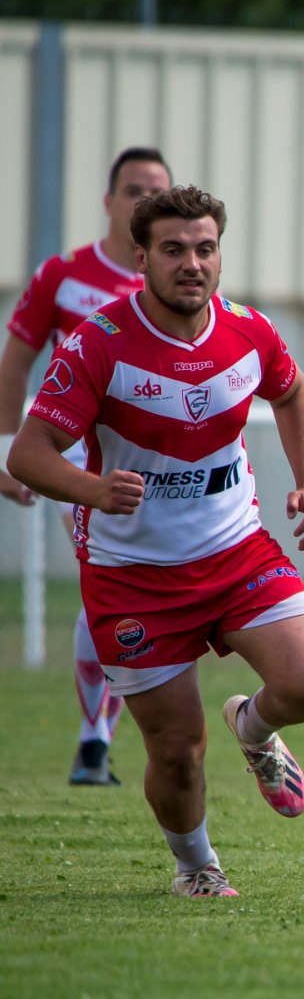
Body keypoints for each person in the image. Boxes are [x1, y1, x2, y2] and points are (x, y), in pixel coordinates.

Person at [6, 185, 304, 900]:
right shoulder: (99, 344)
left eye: (205, 248)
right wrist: (94, 490)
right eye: (174, 250)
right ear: (142, 258)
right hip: (134, 576)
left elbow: (293, 393)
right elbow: (28, 454)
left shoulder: (248, 331)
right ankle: (197, 866)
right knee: (178, 753)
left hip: (236, 552)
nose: (192, 263)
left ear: (220, 255)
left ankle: (252, 727)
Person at [3, 147, 174, 785]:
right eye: (132, 189)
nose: (142, 199)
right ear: (108, 201)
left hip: (157, 470)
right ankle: (94, 738)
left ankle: (106, 734)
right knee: (102, 586)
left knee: (142, 593)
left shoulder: (168, 278)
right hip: (82, 468)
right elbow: (15, 364)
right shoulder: (64, 276)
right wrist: (7, 455)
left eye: (155, 189)